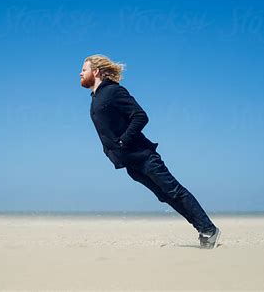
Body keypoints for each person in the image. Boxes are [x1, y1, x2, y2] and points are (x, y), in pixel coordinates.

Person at [80, 54, 221, 249]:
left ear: (95, 72)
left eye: (84, 69)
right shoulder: (95, 98)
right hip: (129, 162)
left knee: (175, 191)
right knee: (165, 196)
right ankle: (203, 230)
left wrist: (123, 141)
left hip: (144, 156)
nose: (80, 73)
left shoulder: (113, 91)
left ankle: (209, 229)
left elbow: (140, 116)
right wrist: (111, 151)